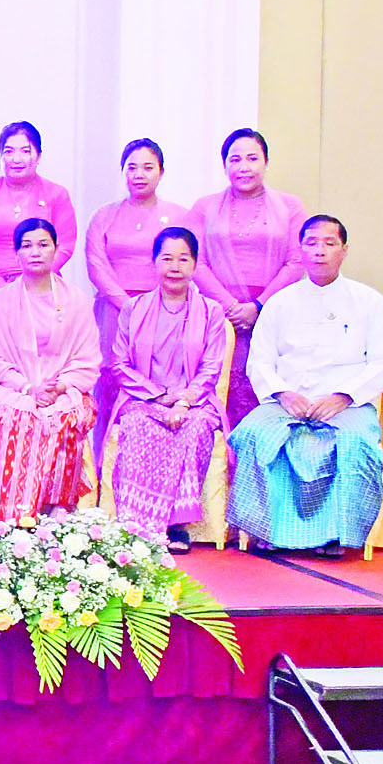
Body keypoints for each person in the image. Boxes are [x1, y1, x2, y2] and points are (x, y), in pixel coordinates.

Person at [228, 216, 383, 556]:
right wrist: (283, 394)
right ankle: (267, 530)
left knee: (354, 442)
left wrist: (343, 397)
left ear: (344, 250)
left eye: (329, 243)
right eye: (312, 243)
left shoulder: (370, 302)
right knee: (251, 434)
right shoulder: (279, 303)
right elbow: (259, 361)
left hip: (346, 405)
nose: (320, 251)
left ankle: (337, 535)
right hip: (287, 402)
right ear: (301, 250)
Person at [107, 228, 230, 551]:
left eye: (183, 259)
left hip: (195, 402)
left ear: (195, 265)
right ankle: (137, 524)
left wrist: (184, 402)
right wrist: (159, 396)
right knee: (138, 426)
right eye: (167, 259)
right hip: (143, 398)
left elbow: (211, 368)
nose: (175, 267)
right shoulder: (133, 309)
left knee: (193, 429)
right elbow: (120, 364)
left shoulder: (211, 312)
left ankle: (176, 526)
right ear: (154, 263)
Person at [0, 219, 99, 521]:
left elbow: (87, 358)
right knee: (16, 417)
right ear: (16, 253)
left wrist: (60, 387)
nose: (35, 252)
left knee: (64, 417)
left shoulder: (76, 301)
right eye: (26, 246)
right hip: (13, 389)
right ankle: (12, 514)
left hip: (63, 390)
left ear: (56, 249)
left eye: (43, 244)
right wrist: (28, 388)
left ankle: (58, 510)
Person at [191, 128, 311, 427]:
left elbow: (297, 261)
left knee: (267, 392)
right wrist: (231, 307)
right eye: (235, 159)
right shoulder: (204, 207)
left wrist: (258, 307)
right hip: (219, 314)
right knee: (221, 392)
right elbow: (196, 262)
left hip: (274, 311)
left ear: (266, 162)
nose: (244, 167)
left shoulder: (290, 206)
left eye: (252, 158)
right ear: (224, 165)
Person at [0, 121, 77, 403]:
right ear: (0, 156)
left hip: (42, 290)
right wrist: (2, 290)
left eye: (25, 150)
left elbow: (66, 243)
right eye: (9, 151)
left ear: (38, 155)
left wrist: (33, 281)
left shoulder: (56, 194)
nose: (17, 158)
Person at [84, 139, 194, 438]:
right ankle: (105, 455)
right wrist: (128, 305)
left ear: (161, 171)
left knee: (157, 379)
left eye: (148, 167)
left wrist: (149, 306)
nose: (139, 174)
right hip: (113, 311)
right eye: (132, 168)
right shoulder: (104, 216)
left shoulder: (180, 217)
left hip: (166, 311)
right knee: (110, 383)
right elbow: (96, 263)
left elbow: (184, 263)